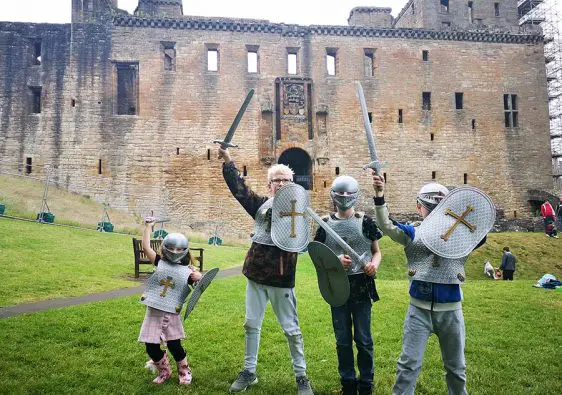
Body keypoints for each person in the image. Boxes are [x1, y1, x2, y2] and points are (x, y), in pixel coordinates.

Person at [372, 176, 487, 395]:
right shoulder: (412, 233)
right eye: (428, 206)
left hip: (451, 310)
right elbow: (386, 225)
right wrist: (379, 196)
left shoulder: (462, 235)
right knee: (408, 366)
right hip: (419, 310)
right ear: (418, 206)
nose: (432, 211)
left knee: (456, 368)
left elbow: (481, 232)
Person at [218, 147, 314, 395]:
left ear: (293, 185)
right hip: (257, 274)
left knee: (291, 329)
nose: (281, 184)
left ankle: (301, 376)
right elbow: (239, 190)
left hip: (282, 277)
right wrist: (229, 162)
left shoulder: (300, 211)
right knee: (251, 324)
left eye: (286, 180)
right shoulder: (260, 205)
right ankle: (249, 372)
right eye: (276, 180)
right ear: (269, 185)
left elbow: (309, 239)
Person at [313, 175, 382, 395]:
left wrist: (373, 265)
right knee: (342, 339)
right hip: (336, 287)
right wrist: (335, 262)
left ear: (355, 196)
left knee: (363, 338)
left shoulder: (366, 221)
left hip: (361, 285)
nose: (343, 198)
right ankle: (348, 384)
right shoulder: (324, 224)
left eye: (347, 194)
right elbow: (318, 257)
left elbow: (376, 252)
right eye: (340, 193)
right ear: (333, 195)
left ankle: (366, 384)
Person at [138, 218, 202, 385]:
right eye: (171, 248)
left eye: (179, 249)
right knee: (150, 346)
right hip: (154, 311)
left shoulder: (187, 271)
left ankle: (184, 371)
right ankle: (164, 370)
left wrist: (199, 277)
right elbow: (146, 247)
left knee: (175, 345)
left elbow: (199, 285)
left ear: (185, 250)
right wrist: (148, 227)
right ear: (166, 249)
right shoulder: (160, 262)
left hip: (171, 313)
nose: (174, 251)